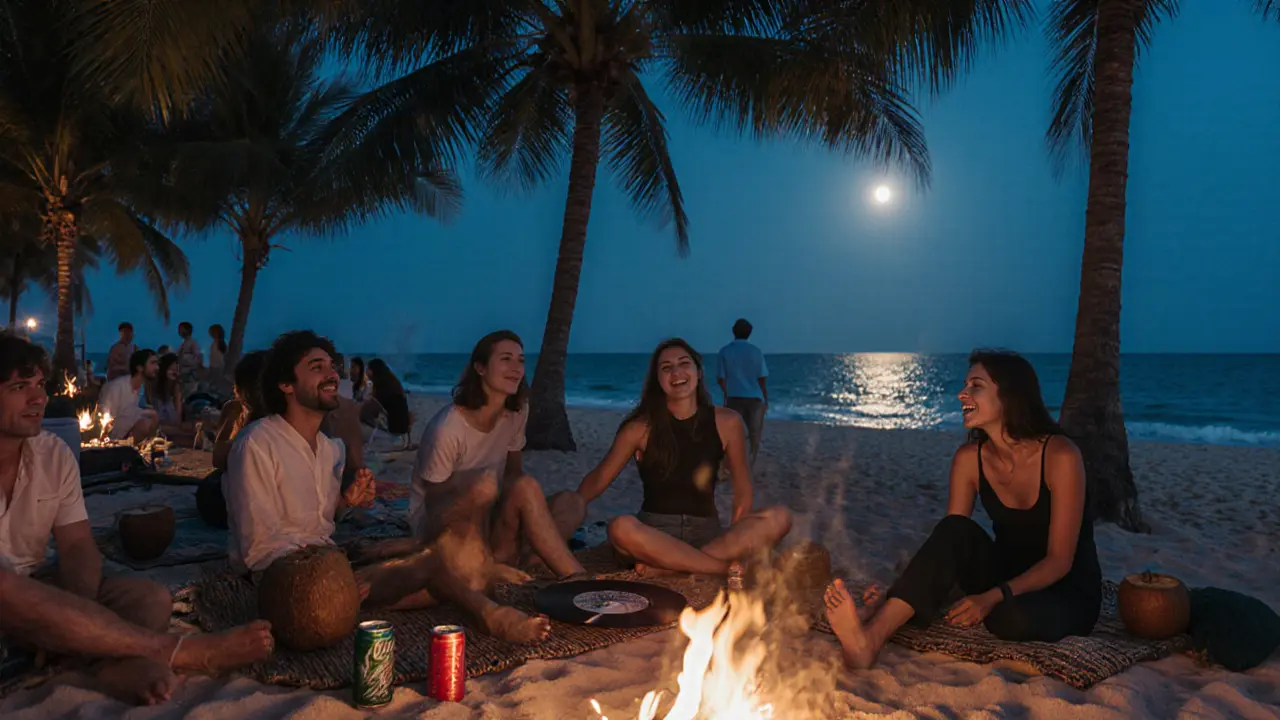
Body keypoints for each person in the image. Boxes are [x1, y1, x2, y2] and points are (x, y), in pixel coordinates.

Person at [0, 333, 273, 705]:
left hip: (35, 583)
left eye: (39, 385)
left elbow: (77, 545)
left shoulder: (52, 455)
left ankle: (97, 658)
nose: (38, 398)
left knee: (151, 599)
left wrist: (80, 612)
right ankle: (176, 651)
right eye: (19, 387)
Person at [823, 350, 1102, 670]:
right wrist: (901, 589)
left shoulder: (1061, 456)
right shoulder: (969, 459)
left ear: (1010, 395)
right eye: (965, 384)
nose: (962, 393)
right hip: (1005, 572)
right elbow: (948, 544)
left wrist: (991, 597)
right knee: (956, 528)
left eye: (976, 386)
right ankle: (869, 640)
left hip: (1065, 589)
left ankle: (891, 612)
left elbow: (1059, 561)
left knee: (1008, 618)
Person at [403, 330, 590, 639]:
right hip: (448, 535)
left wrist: (518, 513)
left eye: (520, 360)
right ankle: (578, 580)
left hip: (491, 522)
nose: (516, 368)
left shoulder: (516, 412)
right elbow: (436, 511)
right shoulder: (447, 429)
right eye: (505, 359)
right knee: (516, 488)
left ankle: (519, 564)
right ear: (480, 367)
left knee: (572, 503)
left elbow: (514, 473)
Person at [569, 339, 791, 577]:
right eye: (666, 368)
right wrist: (572, 507)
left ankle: (669, 569)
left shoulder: (728, 422)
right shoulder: (639, 428)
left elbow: (743, 490)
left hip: (707, 533)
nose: (676, 372)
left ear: (699, 372)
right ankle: (719, 568)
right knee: (620, 527)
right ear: (657, 379)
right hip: (654, 537)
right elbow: (600, 477)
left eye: (684, 363)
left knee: (779, 516)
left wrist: (736, 537)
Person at [223, 331, 377, 577]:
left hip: (322, 562)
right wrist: (326, 569)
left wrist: (347, 501)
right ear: (286, 384)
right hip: (275, 575)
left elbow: (318, 523)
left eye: (332, 367)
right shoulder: (257, 444)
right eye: (317, 367)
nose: (332, 375)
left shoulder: (331, 449)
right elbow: (258, 549)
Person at [716, 318, 768, 464]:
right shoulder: (756, 351)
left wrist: (726, 393)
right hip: (755, 399)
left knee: (732, 433)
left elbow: (720, 378)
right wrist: (766, 399)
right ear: (749, 333)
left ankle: (732, 463)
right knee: (754, 435)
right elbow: (762, 379)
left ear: (734, 331)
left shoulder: (725, 351)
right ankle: (750, 464)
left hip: (734, 398)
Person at [98, 349, 160, 441]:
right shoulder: (117, 387)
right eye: (153, 363)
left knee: (151, 418)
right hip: (112, 437)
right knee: (146, 422)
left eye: (157, 363)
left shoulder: (140, 387)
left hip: (125, 433)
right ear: (139, 368)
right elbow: (105, 419)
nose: (157, 367)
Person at [361, 358, 412, 439]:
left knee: (357, 427)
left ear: (374, 371)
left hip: (393, 435)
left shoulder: (384, 386)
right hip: (401, 433)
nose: (366, 372)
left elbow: (368, 411)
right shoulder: (391, 382)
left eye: (368, 369)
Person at [146, 354, 192, 442]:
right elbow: (157, 424)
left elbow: (177, 421)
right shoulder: (154, 390)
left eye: (177, 370)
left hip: (172, 430)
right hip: (159, 432)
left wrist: (178, 397)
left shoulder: (174, 390)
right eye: (171, 369)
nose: (175, 373)